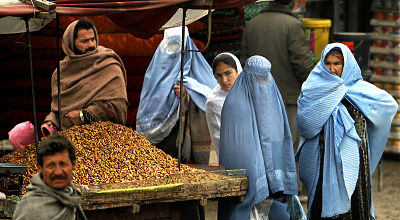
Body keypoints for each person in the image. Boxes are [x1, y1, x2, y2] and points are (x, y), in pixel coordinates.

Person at [296, 43, 398, 219]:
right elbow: (306, 124)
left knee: (355, 206)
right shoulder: (313, 88)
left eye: (337, 63)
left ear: (346, 65)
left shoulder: (358, 89)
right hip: (323, 160)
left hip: (355, 160)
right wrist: (333, 97)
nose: (332, 68)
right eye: (327, 63)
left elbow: (388, 105)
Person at [218, 55, 302, 220]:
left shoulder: (273, 98)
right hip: (248, 180)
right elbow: (241, 151)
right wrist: (258, 178)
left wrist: (276, 177)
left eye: (264, 77)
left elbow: (279, 141)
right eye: (257, 78)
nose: (261, 83)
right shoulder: (235, 104)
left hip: (273, 188)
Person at [136, 26, 216, 166]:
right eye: (170, 46)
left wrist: (188, 95)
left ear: (187, 47)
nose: (173, 52)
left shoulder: (200, 72)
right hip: (160, 144)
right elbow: (147, 103)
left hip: (186, 139)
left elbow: (212, 99)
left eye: (178, 45)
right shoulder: (154, 74)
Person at [240, 0, 314, 150]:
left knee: (262, 150)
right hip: (287, 100)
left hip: (257, 99)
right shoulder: (293, 25)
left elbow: (244, 63)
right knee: (287, 151)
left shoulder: (252, 24)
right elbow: (302, 64)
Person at [41, 18, 128, 135]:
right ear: (71, 43)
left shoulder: (108, 64)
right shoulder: (60, 72)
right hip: (69, 140)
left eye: (93, 39)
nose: (91, 45)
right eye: (84, 41)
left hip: (105, 138)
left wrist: (85, 115)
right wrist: (50, 121)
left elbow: (118, 108)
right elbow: (59, 110)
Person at [13, 134, 87, 220]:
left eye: (63, 164)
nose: (58, 172)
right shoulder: (29, 209)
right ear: (40, 168)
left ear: (74, 164)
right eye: (51, 166)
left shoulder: (72, 196)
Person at [205, 52, 242, 165]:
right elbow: (220, 138)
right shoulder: (214, 102)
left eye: (228, 73)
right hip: (234, 157)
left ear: (238, 71)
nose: (224, 80)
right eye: (219, 76)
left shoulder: (250, 92)